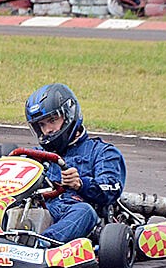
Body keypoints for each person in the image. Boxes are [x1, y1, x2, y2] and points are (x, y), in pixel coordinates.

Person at [24, 83, 126, 243]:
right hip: (40, 208)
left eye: (52, 120)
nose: (47, 130)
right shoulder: (35, 156)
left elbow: (111, 188)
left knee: (84, 211)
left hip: (75, 211)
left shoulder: (101, 152)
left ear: (69, 115)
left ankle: (41, 244)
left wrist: (80, 184)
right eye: (42, 125)